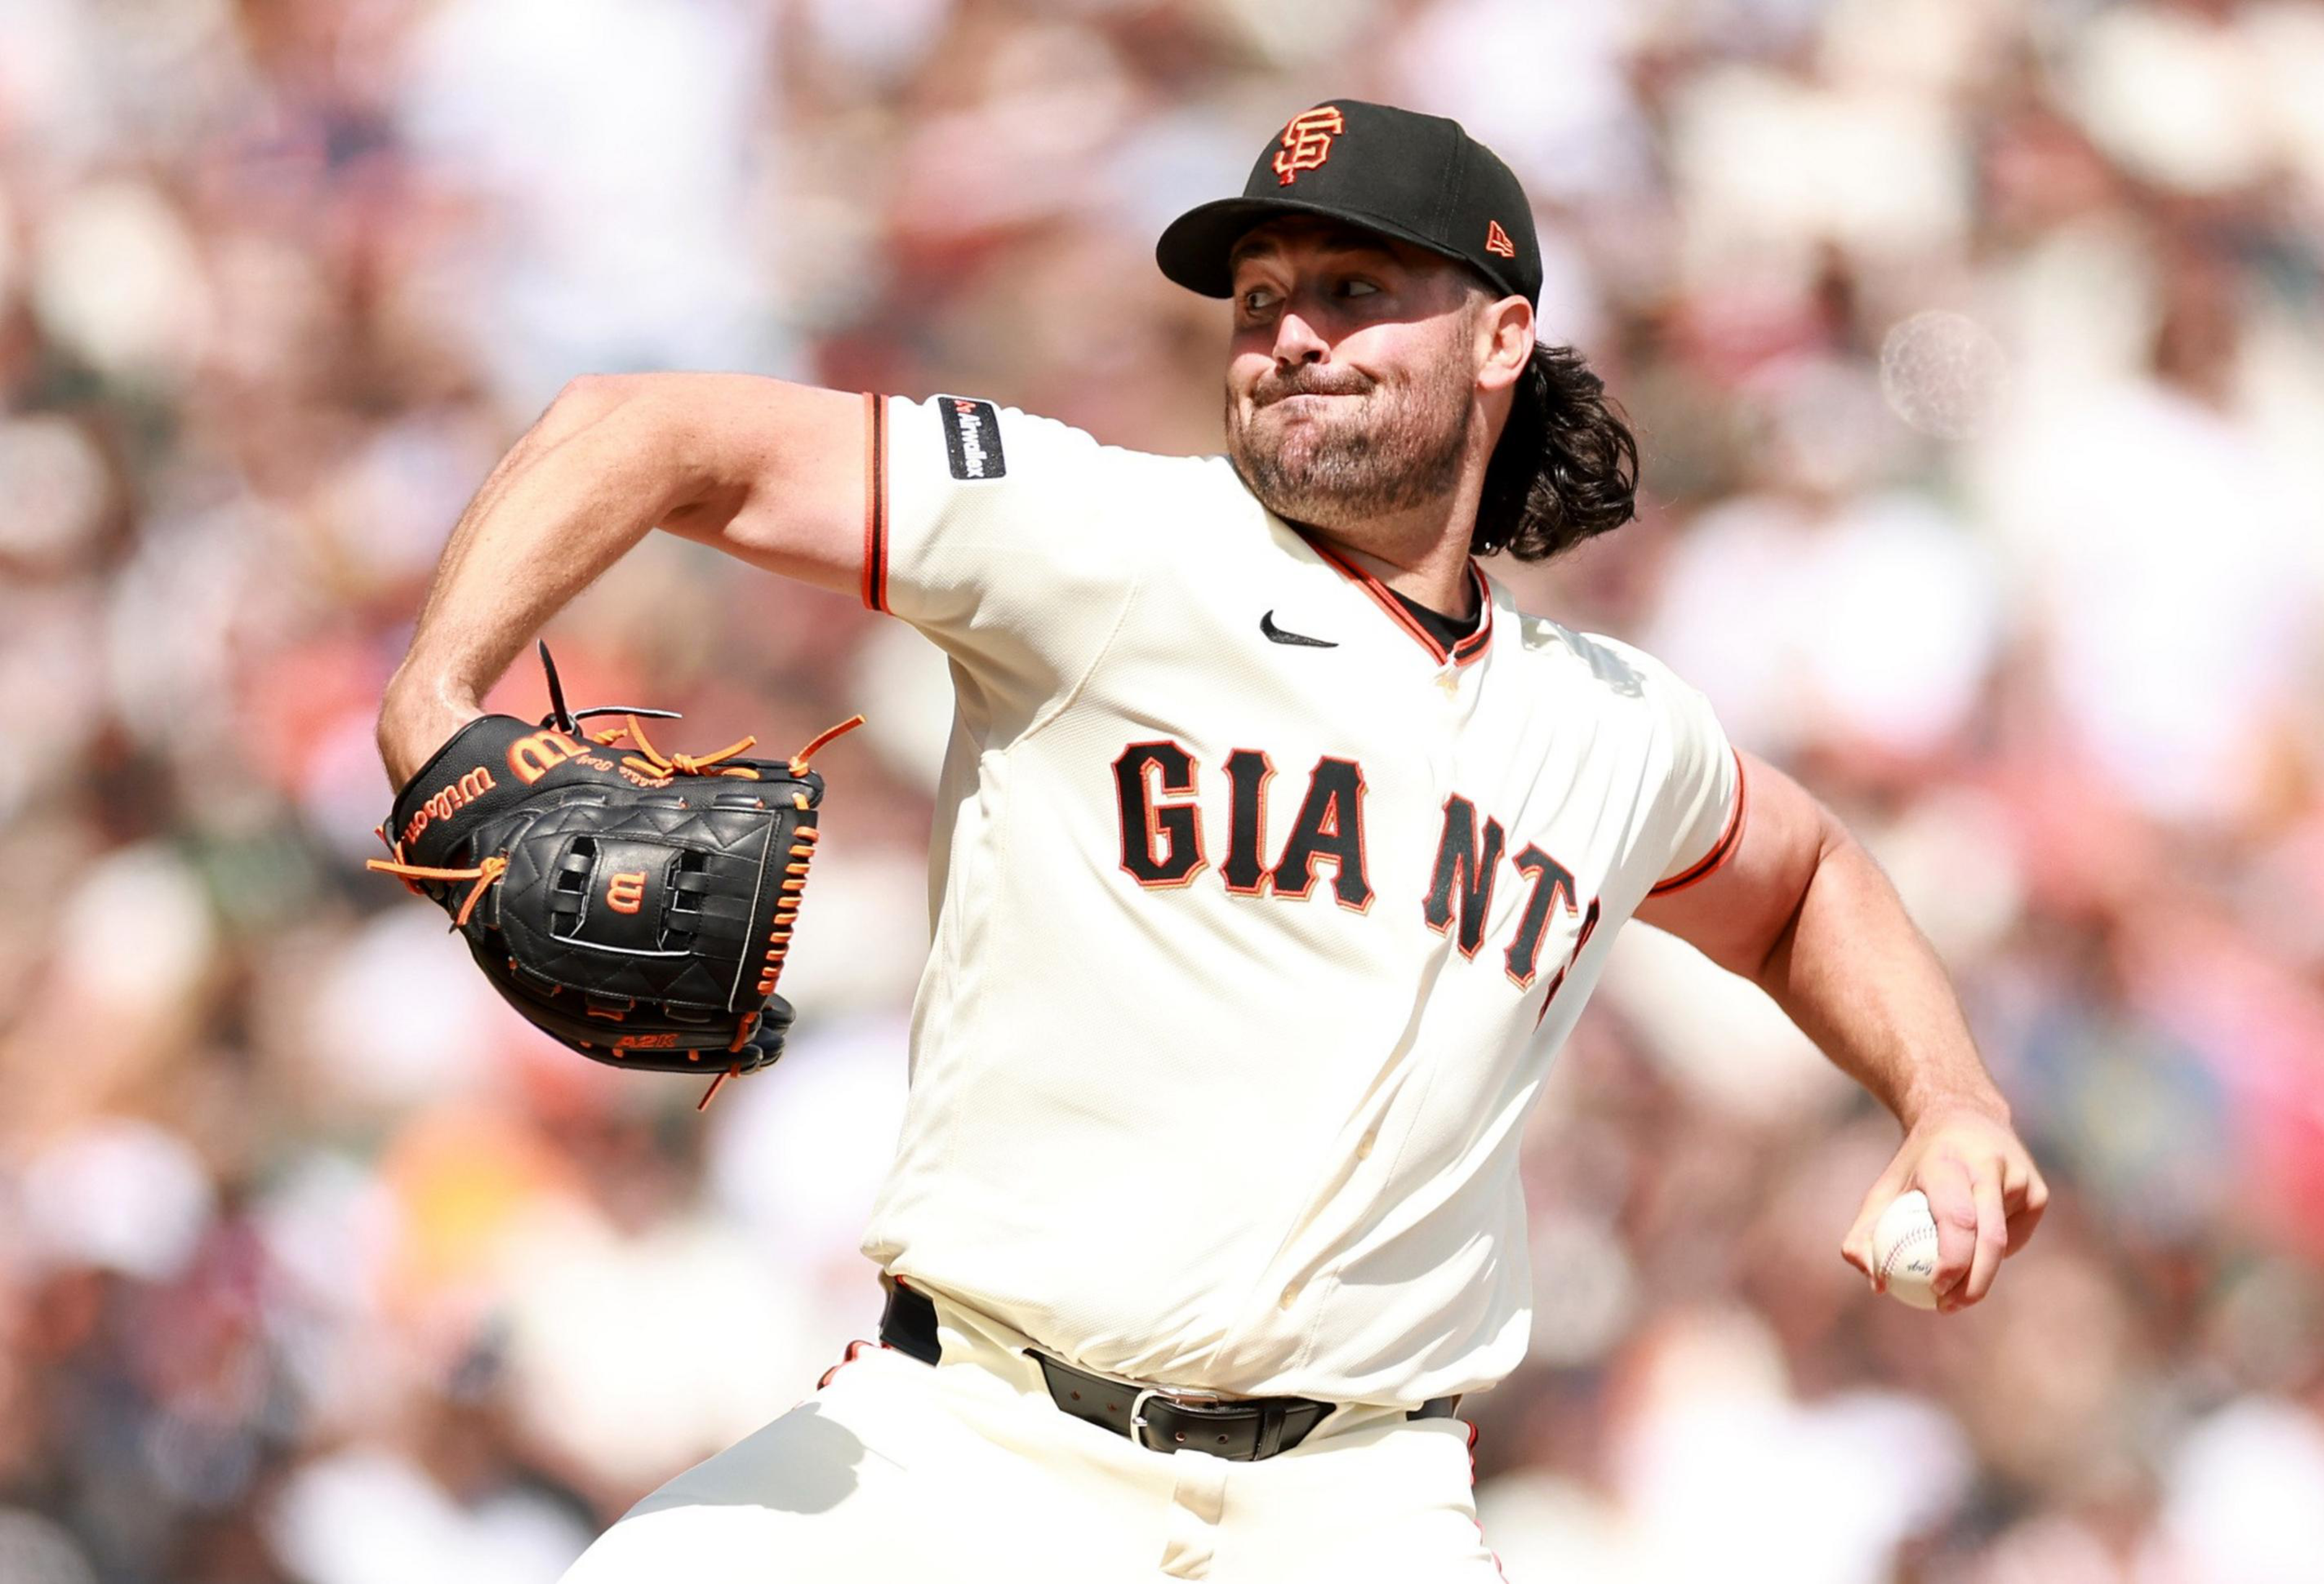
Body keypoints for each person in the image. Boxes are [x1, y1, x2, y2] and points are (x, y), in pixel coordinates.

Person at [376, 100, 2047, 1583]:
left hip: (1358, 1503)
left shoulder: (1613, 728)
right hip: (975, 1451)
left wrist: (1948, 1098)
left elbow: (1804, 879)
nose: (1291, 336)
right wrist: (435, 702)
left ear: (1500, 336)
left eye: (1354, 292)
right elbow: (651, 429)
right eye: (1259, 300)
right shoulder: (1105, 541)